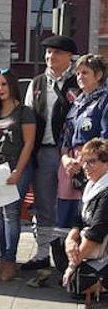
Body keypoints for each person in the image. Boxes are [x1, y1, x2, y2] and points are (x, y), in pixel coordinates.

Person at [23, 35, 79, 270]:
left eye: (56, 53)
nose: (50, 57)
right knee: (44, 204)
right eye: (47, 53)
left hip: (70, 152)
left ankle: (69, 256)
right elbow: (26, 117)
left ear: (69, 57)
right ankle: (43, 254)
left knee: (69, 204)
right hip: (43, 152)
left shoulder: (78, 82)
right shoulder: (36, 83)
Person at [0, 69, 36, 281]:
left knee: (11, 214)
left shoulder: (24, 112)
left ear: (12, 86)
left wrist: (17, 172)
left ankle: (10, 260)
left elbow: (29, 143)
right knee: (0, 214)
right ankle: (4, 257)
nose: (0, 89)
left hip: (15, 166)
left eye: (4, 84)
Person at [56, 139, 108, 307]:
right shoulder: (91, 185)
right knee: (59, 245)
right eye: (84, 161)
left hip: (102, 248)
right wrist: (72, 238)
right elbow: (79, 219)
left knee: (75, 281)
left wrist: (72, 265)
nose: (85, 166)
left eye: (92, 161)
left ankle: (101, 284)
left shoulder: (106, 193)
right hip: (93, 248)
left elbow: (96, 234)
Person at [59, 55, 108, 229]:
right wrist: (66, 159)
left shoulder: (104, 100)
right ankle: (62, 255)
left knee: (88, 216)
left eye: (85, 73)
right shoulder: (77, 103)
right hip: (71, 166)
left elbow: (105, 139)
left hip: (94, 166)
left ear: (99, 74)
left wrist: (85, 160)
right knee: (64, 218)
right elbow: (65, 138)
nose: (79, 77)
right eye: (78, 73)